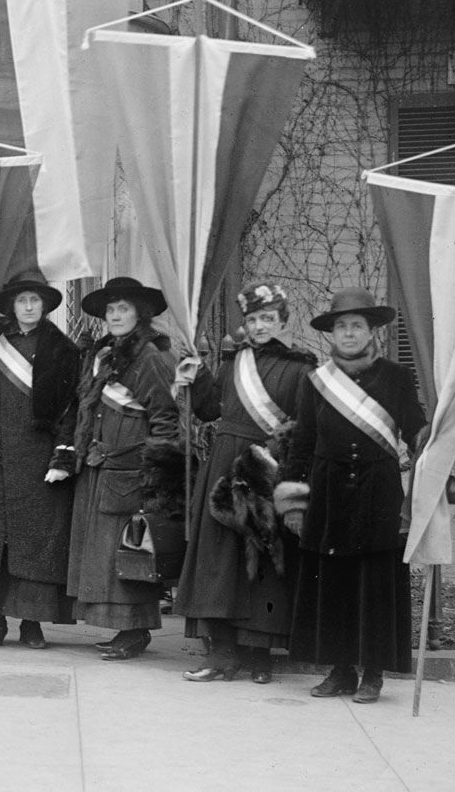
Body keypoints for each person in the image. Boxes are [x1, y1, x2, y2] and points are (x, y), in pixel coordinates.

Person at [280, 287, 424, 704]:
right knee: (336, 584)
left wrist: (435, 457)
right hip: (329, 493)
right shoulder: (315, 382)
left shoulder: (396, 377)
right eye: (341, 326)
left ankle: (373, 674)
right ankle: (340, 672)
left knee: (376, 583)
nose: (348, 333)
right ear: (331, 334)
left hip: (378, 491)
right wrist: (294, 501)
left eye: (356, 326)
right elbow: (302, 443)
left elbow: (415, 426)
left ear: (371, 331)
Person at [175, 282, 314, 683]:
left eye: (267, 318)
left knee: (263, 562)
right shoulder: (232, 363)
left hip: (267, 469)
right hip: (223, 464)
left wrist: (278, 465)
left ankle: (259, 657)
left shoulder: (301, 369)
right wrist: (195, 376)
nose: (259, 327)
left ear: (284, 321)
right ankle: (221, 654)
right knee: (219, 559)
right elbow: (206, 410)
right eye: (252, 320)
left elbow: (304, 430)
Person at [67, 276, 180, 661]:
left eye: (124, 309)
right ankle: (123, 628)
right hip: (102, 467)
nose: (115, 315)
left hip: (131, 471)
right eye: (111, 310)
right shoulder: (104, 354)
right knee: (107, 555)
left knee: (130, 554)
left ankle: (136, 631)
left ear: (140, 314)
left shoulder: (150, 357)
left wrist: (151, 474)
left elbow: (165, 420)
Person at [0, 271, 80, 650]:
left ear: (45, 305)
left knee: (35, 543)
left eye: (35, 300)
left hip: (39, 459)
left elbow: (71, 411)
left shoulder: (62, 349)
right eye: (22, 300)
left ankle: (32, 623)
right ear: (12, 306)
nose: (29, 307)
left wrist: (62, 456)